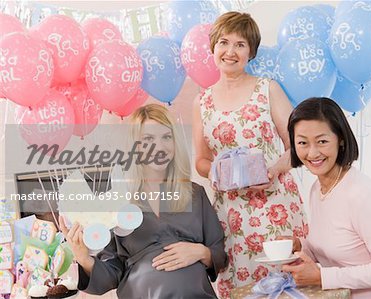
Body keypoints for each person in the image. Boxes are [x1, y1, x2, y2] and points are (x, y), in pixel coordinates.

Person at [192, 11, 307, 298]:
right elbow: (201, 161)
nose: (230, 51)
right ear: (213, 48)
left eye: (240, 44)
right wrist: (225, 175)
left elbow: (298, 147)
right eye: (224, 42)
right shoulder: (201, 101)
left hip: (274, 204)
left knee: (285, 283)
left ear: (251, 52)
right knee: (241, 288)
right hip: (231, 215)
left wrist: (273, 171)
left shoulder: (267, 89)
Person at [60, 104, 228, 299]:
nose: (160, 146)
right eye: (148, 138)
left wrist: (201, 252)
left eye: (166, 137)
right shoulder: (118, 198)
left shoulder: (194, 194)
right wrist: (83, 258)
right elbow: (111, 274)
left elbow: (219, 254)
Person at [280, 97, 371, 298]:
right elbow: (333, 251)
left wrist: (321, 277)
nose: (312, 152)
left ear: (340, 139)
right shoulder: (318, 189)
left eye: (322, 141)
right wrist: (301, 246)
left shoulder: (360, 194)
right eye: (302, 143)